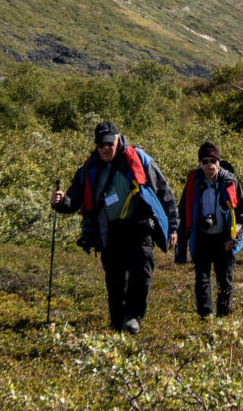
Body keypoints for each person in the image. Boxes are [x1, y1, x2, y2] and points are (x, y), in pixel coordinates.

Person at [52, 120, 174, 334]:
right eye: (100, 145)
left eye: (109, 143)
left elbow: (164, 192)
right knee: (116, 281)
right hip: (109, 231)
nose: (105, 148)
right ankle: (117, 324)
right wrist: (60, 202)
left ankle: (133, 318)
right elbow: (73, 199)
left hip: (138, 227)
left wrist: (173, 225)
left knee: (141, 272)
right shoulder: (89, 168)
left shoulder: (139, 160)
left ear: (118, 140)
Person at [175, 142, 243, 320]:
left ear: (219, 163)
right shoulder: (194, 182)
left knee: (225, 281)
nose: (209, 165)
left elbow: (242, 213)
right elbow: (183, 211)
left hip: (224, 240)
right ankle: (206, 317)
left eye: (213, 161)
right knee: (202, 279)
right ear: (200, 163)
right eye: (205, 161)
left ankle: (223, 317)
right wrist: (181, 246)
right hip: (202, 238)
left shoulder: (230, 182)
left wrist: (234, 237)